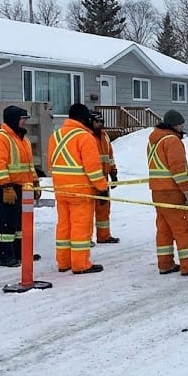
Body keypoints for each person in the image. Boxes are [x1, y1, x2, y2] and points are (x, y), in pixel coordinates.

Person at [46, 103, 109, 274]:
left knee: (64, 227)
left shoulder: (55, 136)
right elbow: (93, 169)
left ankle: (64, 262)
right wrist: (102, 187)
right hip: (80, 192)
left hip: (61, 190)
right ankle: (80, 264)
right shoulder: (85, 137)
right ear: (84, 118)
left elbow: (50, 165)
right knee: (80, 227)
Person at [148, 109, 188, 276]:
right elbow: (178, 170)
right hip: (173, 192)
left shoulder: (154, 141)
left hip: (157, 192)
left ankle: (165, 264)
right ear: (175, 125)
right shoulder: (172, 141)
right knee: (184, 229)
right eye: (181, 125)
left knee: (164, 229)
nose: (182, 128)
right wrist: (187, 191)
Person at [0, 105, 41, 267]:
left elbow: (29, 165)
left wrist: (35, 183)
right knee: (7, 223)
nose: (24, 122)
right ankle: (5, 257)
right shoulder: (0, 138)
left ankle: (20, 253)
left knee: (20, 224)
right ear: (13, 119)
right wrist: (6, 187)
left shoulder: (23, 139)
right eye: (22, 119)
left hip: (23, 188)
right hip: (8, 188)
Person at [90, 111, 120, 244]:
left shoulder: (105, 136)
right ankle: (85, 238)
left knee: (104, 209)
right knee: (87, 211)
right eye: (97, 122)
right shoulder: (87, 137)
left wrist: (113, 173)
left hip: (104, 178)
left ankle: (104, 235)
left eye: (102, 122)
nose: (100, 124)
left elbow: (110, 156)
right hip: (90, 180)